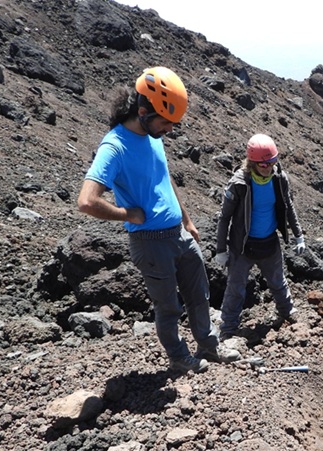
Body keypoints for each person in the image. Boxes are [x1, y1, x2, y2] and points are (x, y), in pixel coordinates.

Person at [76, 66, 239, 374]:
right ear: (142, 112)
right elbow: (86, 201)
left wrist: (187, 220)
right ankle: (179, 357)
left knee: (200, 295)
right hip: (150, 242)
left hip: (178, 233)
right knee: (169, 308)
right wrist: (127, 214)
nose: (170, 130)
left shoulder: (153, 135)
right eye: (167, 122)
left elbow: (165, 177)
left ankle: (208, 345)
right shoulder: (115, 146)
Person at [214, 134, 305, 339]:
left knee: (278, 282)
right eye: (262, 163)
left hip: (269, 243)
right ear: (252, 162)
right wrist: (221, 250)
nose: (267, 167)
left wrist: (298, 235)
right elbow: (224, 217)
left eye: (271, 162)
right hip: (242, 246)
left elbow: (288, 206)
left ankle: (286, 311)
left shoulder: (280, 179)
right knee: (235, 288)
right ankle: (228, 328)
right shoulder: (238, 184)